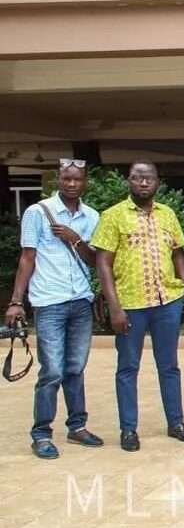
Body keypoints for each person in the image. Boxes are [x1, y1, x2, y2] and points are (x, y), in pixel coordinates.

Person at [93, 161, 184, 452]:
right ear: (129, 180)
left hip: (167, 302)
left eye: (148, 178)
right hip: (130, 304)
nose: (143, 183)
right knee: (128, 367)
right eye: (137, 178)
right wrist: (114, 307)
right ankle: (129, 429)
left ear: (157, 182)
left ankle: (175, 422)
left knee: (170, 366)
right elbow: (103, 262)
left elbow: (179, 251)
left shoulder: (168, 214)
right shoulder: (113, 216)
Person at [7, 159, 101, 459]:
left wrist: (75, 240)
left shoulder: (91, 216)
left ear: (85, 182)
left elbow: (94, 260)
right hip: (49, 301)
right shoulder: (38, 213)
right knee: (52, 371)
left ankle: (77, 426)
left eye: (77, 180)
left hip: (81, 301)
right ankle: (41, 434)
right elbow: (27, 258)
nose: (71, 184)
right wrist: (16, 301)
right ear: (58, 180)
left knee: (75, 368)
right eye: (66, 179)